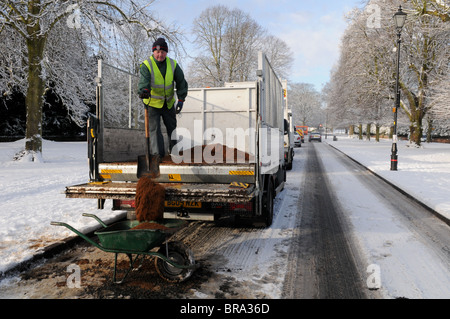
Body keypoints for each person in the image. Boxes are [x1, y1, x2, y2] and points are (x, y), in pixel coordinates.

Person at [138, 37, 188, 160]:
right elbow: (144, 81)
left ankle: (174, 150)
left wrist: (181, 99)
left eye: (163, 52)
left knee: (172, 128)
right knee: (155, 130)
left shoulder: (173, 64)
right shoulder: (146, 65)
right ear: (153, 52)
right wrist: (144, 90)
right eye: (157, 52)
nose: (160, 55)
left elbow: (181, 82)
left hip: (168, 103)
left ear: (166, 53)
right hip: (152, 103)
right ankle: (157, 156)